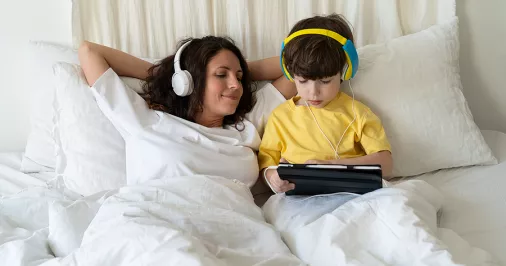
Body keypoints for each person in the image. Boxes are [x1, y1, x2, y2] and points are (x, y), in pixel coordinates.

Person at [78, 36, 296, 188]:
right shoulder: (144, 120)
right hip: (154, 223)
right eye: (221, 75)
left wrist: (243, 70)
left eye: (239, 78)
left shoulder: (246, 128)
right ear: (188, 81)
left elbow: (302, 66)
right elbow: (90, 51)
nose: (236, 85)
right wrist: (170, 74)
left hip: (230, 227)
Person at [258, 14, 393, 194]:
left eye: (326, 81)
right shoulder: (280, 117)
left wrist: (332, 165)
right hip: (300, 199)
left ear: (345, 71)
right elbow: (266, 165)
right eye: (303, 81)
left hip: (353, 196)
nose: (313, 92)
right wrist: (272, 177)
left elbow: (386, 164)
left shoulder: (358, 113)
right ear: (291, 75)